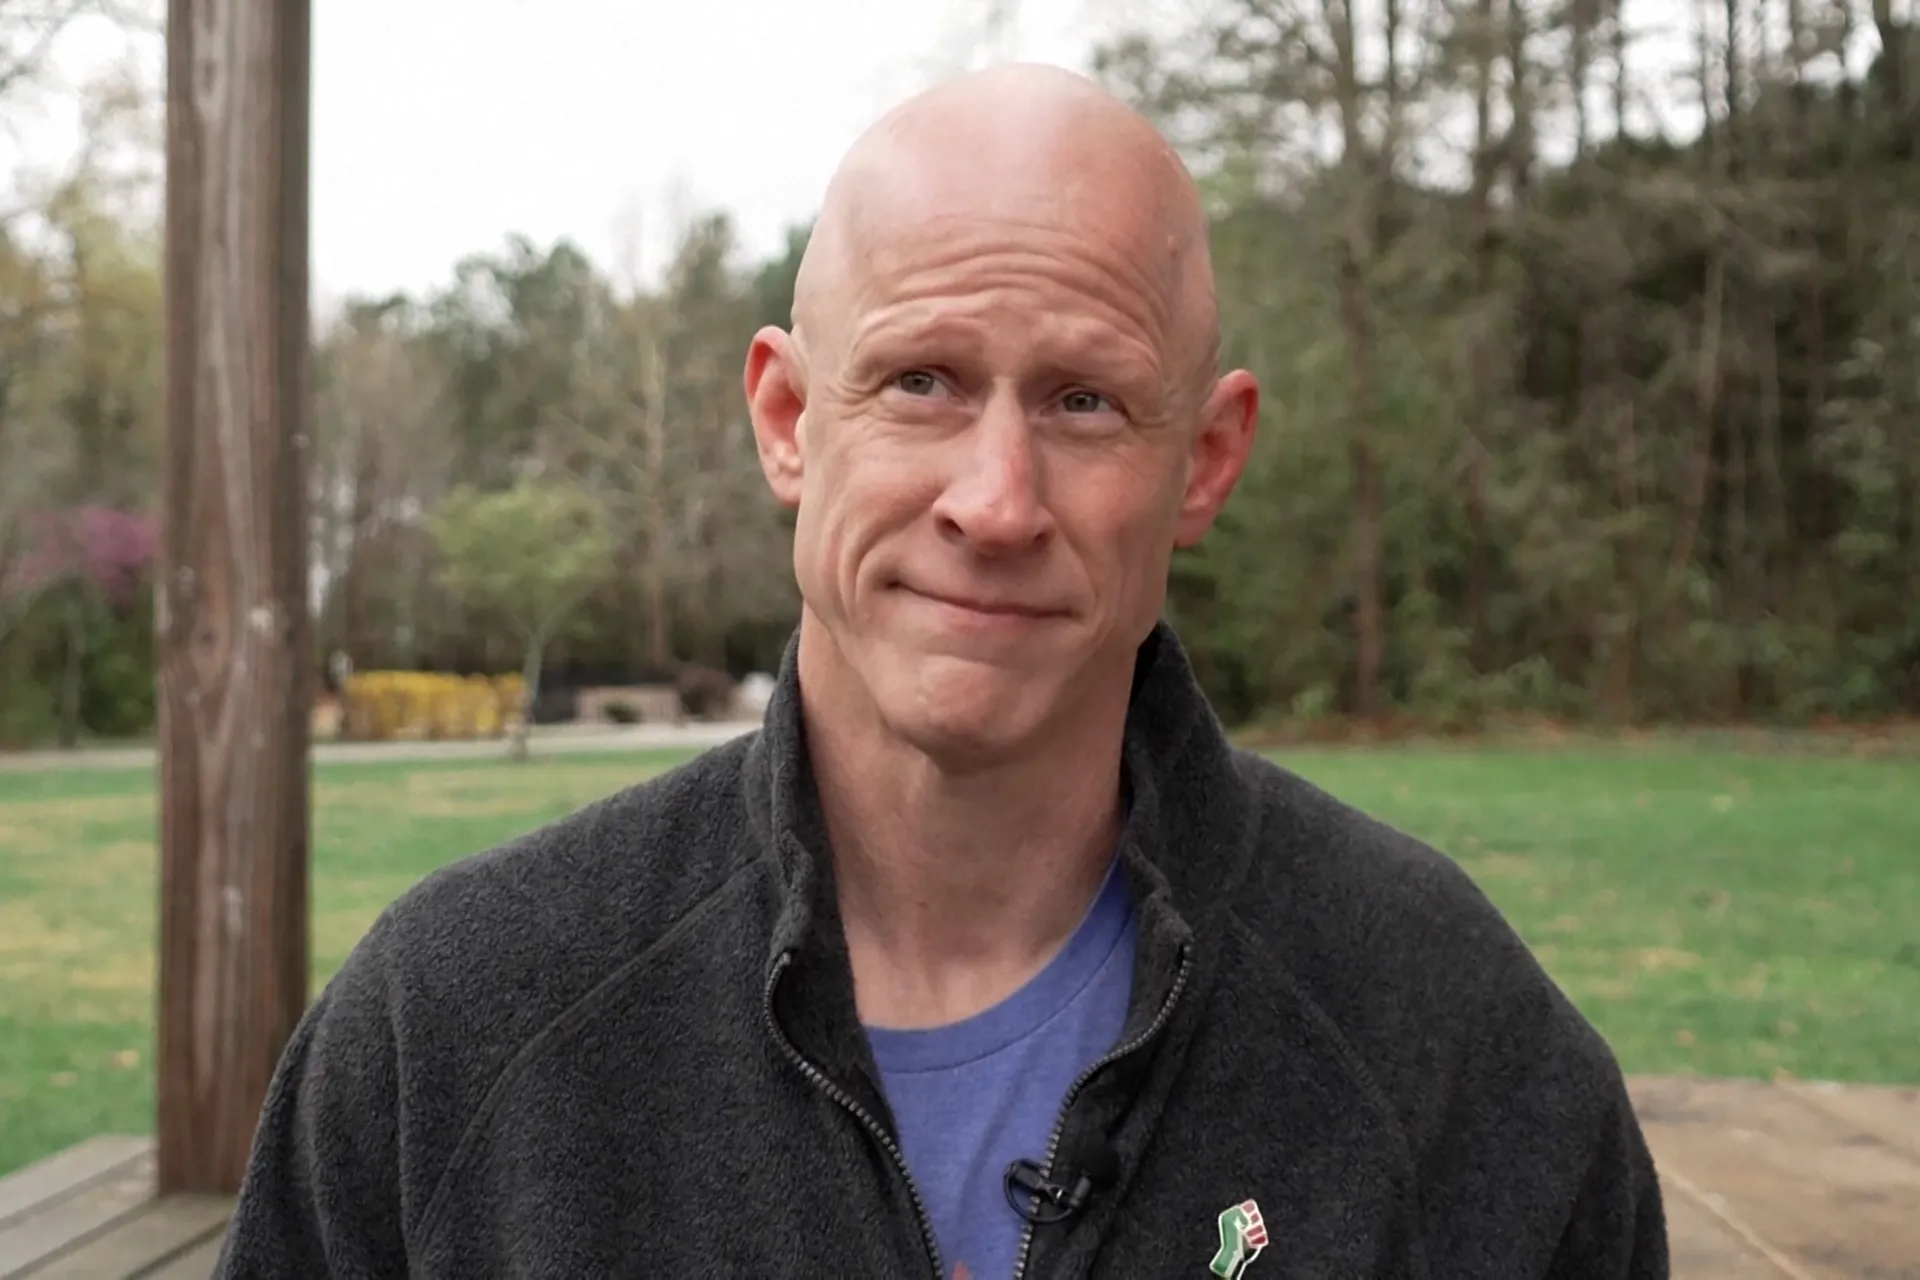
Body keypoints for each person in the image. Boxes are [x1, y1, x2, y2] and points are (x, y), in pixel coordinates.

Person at [215, 63, 1667, 1279]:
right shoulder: (457, 1031)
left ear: (1206, 460)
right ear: (789, 418)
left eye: (1085, 401)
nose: (996, 500)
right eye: (923, 382)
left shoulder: (1449, 1038)